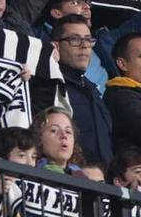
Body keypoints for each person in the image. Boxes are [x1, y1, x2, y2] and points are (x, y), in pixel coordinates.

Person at [48, 15, 113, 164]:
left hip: (102, 181)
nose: (84, 46)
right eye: (75, 40)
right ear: (56, 47)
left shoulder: (94, 92)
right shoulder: (49, 86)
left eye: (88, 40)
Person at [32, 108, 84, 176]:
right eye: (54, 130)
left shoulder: (82, 178)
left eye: (68, 131)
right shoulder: (31, 172)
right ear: (39, 137)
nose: (64, 136)